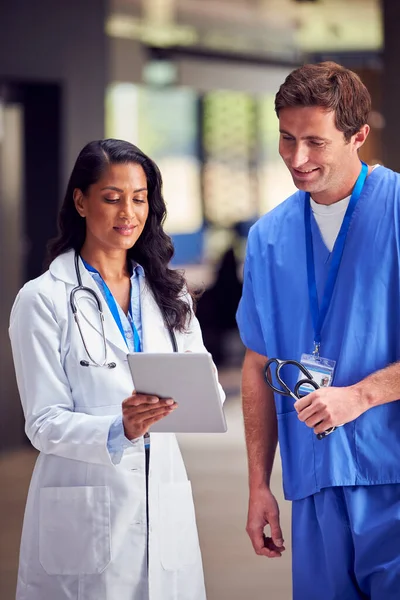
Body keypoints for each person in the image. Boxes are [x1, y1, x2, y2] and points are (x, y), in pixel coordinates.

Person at [9, 138, 224, 600]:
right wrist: (118, 428)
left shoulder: (171, 294)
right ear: (82, 202)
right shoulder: (43, 299)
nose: (128, 212)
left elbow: (206, 386)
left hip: (163, 501)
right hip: (86, 511)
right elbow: (43, 423)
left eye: (139, 198)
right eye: (112, 198)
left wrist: (198, 398)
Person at [236, 62, 400, 600]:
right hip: (314, 480)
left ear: (358, 136)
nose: (297, 159)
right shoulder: (268, 238)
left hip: (392, 475)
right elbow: (259, 364)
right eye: (286, 139)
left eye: (315, 142)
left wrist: (359, 395)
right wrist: (259, 484)